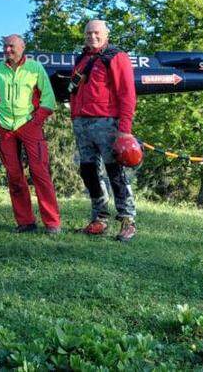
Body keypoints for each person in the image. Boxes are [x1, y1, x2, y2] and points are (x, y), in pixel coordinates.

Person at [70, 19, 138, 241]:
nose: (92, 36)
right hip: (82, 124)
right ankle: (99, 218)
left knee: (115, 172)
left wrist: (124, 130)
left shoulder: (116, 57)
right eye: (88, 32)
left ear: (106, 34)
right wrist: (74, 117)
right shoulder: (82, 58)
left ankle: (128, 221)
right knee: (88, 172)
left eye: (97, 33)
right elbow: (74, 90)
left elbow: (127, 94)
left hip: (107, 124)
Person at [0, 35, 60, 233]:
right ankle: (25, 222)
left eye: (12, 46)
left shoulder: (35, 68)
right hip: (6, 128)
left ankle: (52, 223)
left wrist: (36, 121)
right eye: (5, 46)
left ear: (22, 47)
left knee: (40, 173)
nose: (8, 50)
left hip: (29, 125)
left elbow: (49, 100)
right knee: (14, 176)